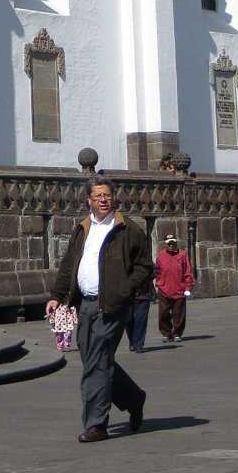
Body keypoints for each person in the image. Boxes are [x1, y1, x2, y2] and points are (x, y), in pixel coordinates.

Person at [46, 177, 151, 443]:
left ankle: (96, 424)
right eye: (98, 196)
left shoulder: (128, 229)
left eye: (107, 195)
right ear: (89, 200)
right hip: (85, 304)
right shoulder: (82, 229)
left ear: (114, 199)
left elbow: (144, 267)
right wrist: (57, 296)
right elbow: (69, 264)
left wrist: (124, 289)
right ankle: (133, 397)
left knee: (97, 362)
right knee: (93, 358)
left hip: (112, 306)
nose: (103, 199)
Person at [155, 233, 194, 342]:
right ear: (166, 244)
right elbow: (157, 271)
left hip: (179, 289)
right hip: (164, 289)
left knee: (179, 314)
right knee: (163, 313)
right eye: (169, 243)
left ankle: (177, 333)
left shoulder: (182, 255)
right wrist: (158, 283)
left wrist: (188, 287)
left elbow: (188, 272)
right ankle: (166, 333)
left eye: (173, 243)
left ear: (176, 243)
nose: (171, 245)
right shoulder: (161, 255)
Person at [125, 282, 152, 353]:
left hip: (144, 294)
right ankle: (132, 341)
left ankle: (138, 344)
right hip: (128, 294)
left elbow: (153, 273)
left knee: (141, 320)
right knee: (128, 320)